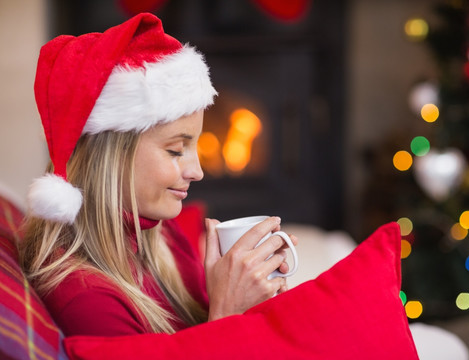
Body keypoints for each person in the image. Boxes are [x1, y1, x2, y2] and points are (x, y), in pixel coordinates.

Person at [19, 12, 296, 336]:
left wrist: (248, 297)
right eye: (176, 151)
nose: (197, 172)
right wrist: (226, 312)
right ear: (111, 156)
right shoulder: (85, 298)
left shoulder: (160, 236)